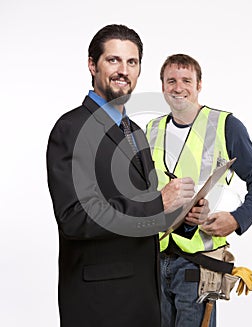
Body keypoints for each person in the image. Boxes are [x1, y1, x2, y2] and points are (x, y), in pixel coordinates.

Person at [46, 25, 209, 327]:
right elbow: (74, 218)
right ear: (92, 64)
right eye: (113, 60)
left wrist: (182, 214)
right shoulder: (71, 129)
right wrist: (158, 202)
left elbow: (147, 214)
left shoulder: (135, 132)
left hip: (145, 299)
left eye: (131, 63)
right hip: (99, 303)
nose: (124, 71)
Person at [146, 54, 252, 327]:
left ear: (199, 84)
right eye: (171, 81)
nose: (178, 87)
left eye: (186, 80)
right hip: (153, 261)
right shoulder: (152, 129)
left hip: (198, 266)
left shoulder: (226, 125)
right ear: (162, 86)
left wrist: (237, 219)